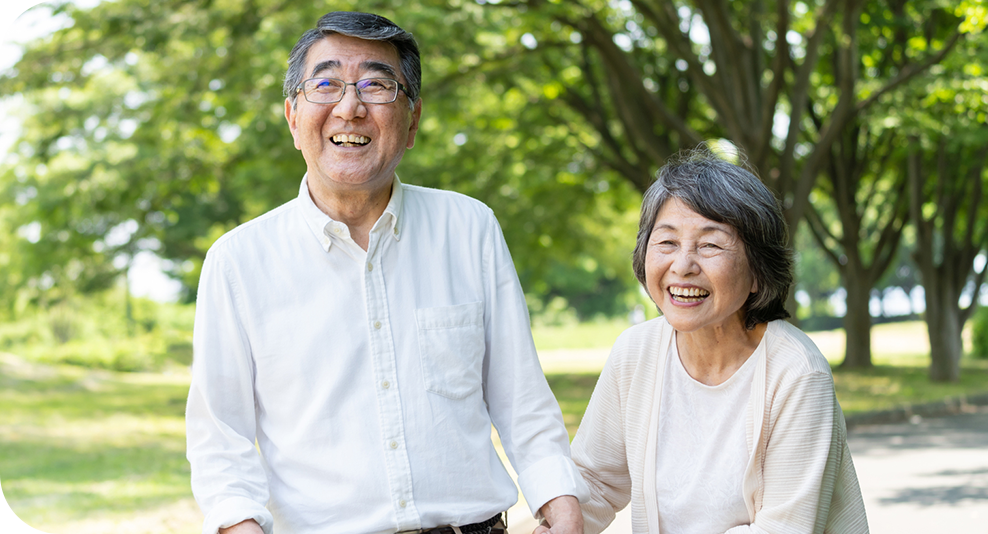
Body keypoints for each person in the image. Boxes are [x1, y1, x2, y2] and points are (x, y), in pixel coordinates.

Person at [185, 11, 587, 534]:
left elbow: (521, 399)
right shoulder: (238, 261)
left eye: (377, 85)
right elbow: (221, 440)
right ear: (292, 117)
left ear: (413, 120)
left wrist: (560, 502)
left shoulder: (468, 227)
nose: (350, 108)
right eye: (325, 84)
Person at [570, 148, 869, 534]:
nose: (683, 265)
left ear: (758, 273)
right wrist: (564, 522)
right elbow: (595, 480)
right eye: (667, 243)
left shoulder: (797, 373)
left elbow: (782, 529)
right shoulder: (635, 352)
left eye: (710, 245)